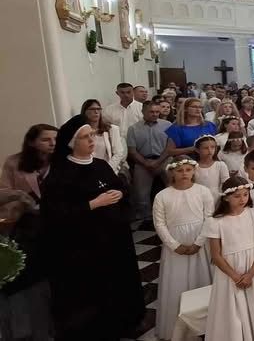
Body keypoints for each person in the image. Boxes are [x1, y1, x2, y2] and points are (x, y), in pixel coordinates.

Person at [41, 115, 144, 338]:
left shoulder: (101, 165)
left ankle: (125, 322)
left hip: (115, 238)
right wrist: (93, 204)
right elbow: (55, 214)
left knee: (120, 281)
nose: (92, 140)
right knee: (95, 289)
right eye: (85, 137)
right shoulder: (60, 175)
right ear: (71, 142)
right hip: (86, 245)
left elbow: (121, 188)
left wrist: (120, 193)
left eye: (92, 135)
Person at [203, 176, 254, 340]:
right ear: (226, 197)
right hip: (229, 272)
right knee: (234, 310)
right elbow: (216, 255)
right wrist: (235, 277)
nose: (242, 199)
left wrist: (251, 273)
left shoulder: (253, 214)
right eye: (237, 196)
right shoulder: (215, 222)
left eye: (246, 195)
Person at [152, 157, 214, 340]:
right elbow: (159, 223)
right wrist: (174, 245)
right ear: (172, 173)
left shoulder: (203, 191)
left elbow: (209, 218)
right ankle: (178, 329)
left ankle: (206, 325)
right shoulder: (162, 196)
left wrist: (199, 242)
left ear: (194, 171)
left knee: (201, 280)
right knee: (176, 283)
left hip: (199, 243)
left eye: (188, 170)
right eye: (180, 170)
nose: (184, 174)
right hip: (175, 246)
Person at [0, 188, 50, 341]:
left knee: (33, 329)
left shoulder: (32, 226)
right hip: (9, 291)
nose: (7, 214)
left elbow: (27, 256)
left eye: (14, 209)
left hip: (29, 287)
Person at [126, 101, 170, 220]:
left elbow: (170, 146)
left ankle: (169, 215)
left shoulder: (167, 125)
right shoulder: (133, 129)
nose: (155, 114)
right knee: (141, 195)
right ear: (143, 112)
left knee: (173, 188)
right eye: (151, 112)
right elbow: (132, 151)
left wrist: (158, 161)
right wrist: (146, 163)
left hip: (164, 159)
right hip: (142, 162)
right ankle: (146, 219)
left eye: (157, 112)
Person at [1, 124, 57, 206]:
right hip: (25, 209)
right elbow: (4, 192)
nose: (53, 143)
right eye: (45, 140)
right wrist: (20, 195)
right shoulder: (13, 162)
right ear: (31, 142)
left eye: (56, 139)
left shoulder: (65, 161)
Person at [81, 99, 127, 174]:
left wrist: (106, 169)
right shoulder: (81, 132)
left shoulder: (111, 129)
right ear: (85, 112)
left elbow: (118, 153)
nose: (96, 112)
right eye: (92, 109)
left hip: (108, 170)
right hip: (88, 171)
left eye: (98, 109)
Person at [194, 135, 229, 199]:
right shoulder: (194, 167)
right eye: (205, 148)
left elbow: (226, 183)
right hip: (198, 198)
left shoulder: (220, 165)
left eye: (212, 147)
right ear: (197, 150)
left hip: (217, 198)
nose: (210, 150)